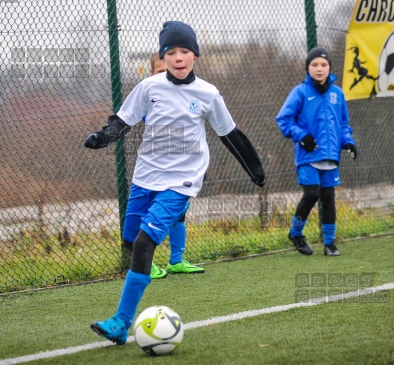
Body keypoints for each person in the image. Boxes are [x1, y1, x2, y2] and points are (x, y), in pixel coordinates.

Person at [84, 20, 265, 344]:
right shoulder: (150, 87)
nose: (178, 57)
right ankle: (139, 286)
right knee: (130, 243)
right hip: (145, 177)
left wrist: (254, 167)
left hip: (181, 182)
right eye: (171, 52)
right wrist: (102, 137)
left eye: (185, 51)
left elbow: (230, 134)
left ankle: (120, 322)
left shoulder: (208, 94)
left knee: (143, 244)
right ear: (163, 57)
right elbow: (122, 120)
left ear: (195, 55)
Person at [275, 47, 357, 257]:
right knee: (312, 194)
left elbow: (344, 124)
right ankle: (296, 233)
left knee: (328, 197)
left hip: (330, 157)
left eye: (323, 65)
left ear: (329, 68)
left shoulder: (337, 94)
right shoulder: (300, 92)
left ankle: (329, 243)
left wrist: (348, 141)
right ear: (307, 68)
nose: (319, 69)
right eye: (314, 65)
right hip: (308, 157)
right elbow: (284, 119)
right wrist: (301, 136)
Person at [146, 52, 204, 279]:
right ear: (152, 74)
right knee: (156, 214)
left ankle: (176, 261)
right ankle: (145, 262)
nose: (164, 75)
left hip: (183, 166)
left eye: (166, 71)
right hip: (156, 167)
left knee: (180, 214)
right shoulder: (149, 95)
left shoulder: (191, 94)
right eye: (159, 71)